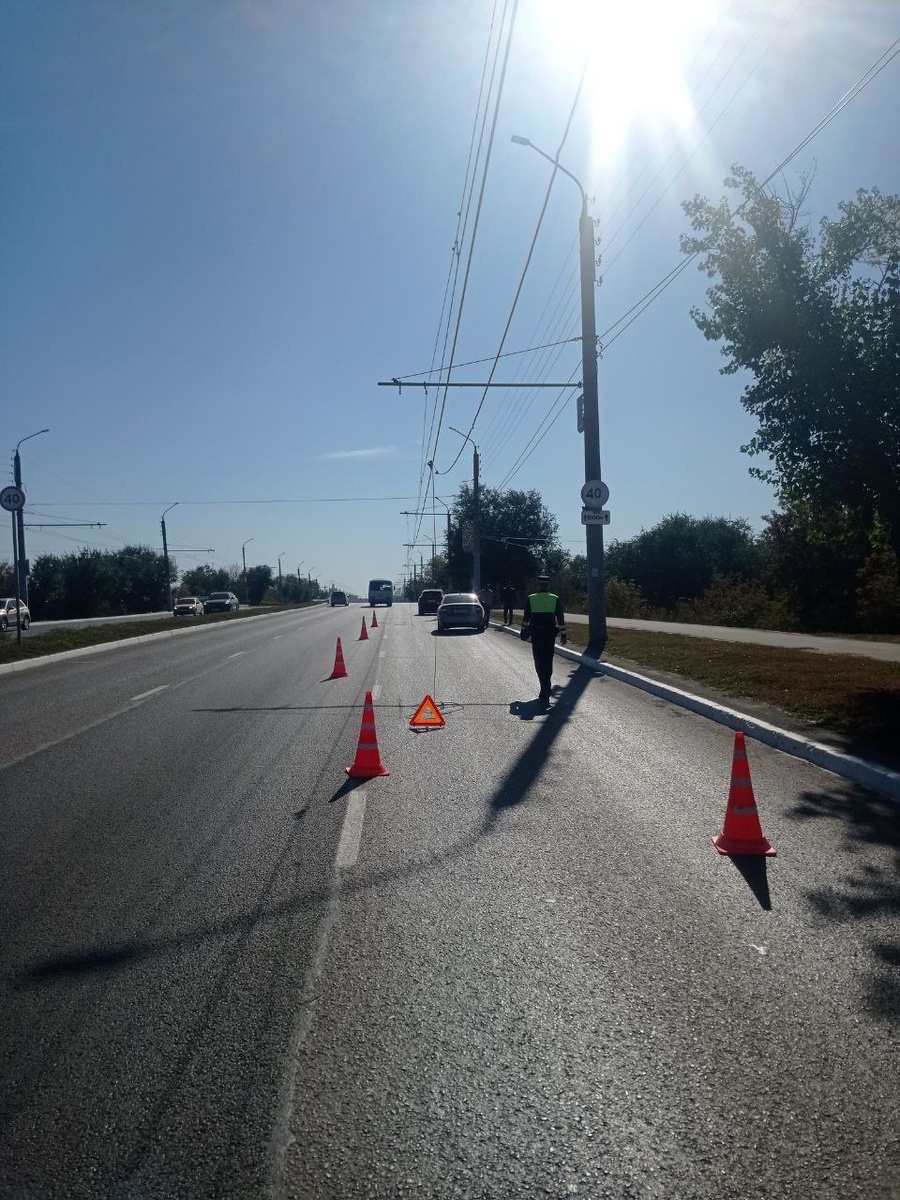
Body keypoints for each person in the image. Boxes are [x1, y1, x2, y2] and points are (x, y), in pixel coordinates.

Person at [520, 574, 567, 705]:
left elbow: (526, 618)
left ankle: (544, 687)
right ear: (548, 585)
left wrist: (523, 632)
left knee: (539, 660)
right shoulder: (555, 599)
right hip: (550, 634)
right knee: (548, 659)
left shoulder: (531, 598)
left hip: (537, 634)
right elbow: (560, 618)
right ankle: (547, 685)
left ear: (538, 585)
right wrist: (564, 634)